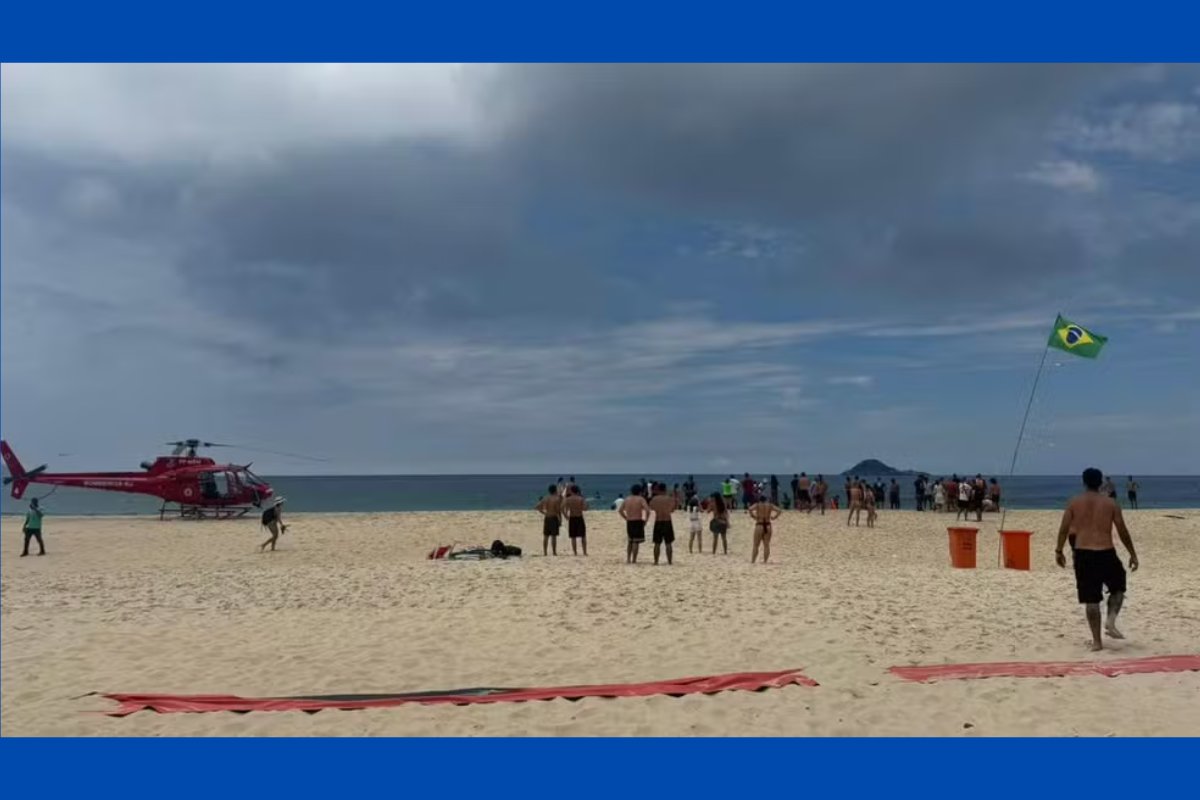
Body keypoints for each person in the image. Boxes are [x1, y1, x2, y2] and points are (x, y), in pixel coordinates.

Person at [1055, 468, 1139, 652]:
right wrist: (1132, 553)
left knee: (1091, 600)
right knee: (1118, 588)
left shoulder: (1074, 502)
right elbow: (1122, 530)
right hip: (1106, 552)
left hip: (1083, 553)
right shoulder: (1111, 503)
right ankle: (1110, 620)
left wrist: (1059, 551)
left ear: (1083, 482)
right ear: (1101, 482)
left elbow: (1064, 529)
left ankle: (1097, 642)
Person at [619, 484, 650, 564]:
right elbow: (647, 510)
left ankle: (628, 558)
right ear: (640, 491)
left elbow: (620, 510)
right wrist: (646, 520)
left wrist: (626, 518)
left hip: (630, 521)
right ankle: (634, 560)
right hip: (637, 521)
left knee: (630, 541)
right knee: (636, 541)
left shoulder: (627, 499)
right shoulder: (641, 499)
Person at [648, 482, 678, 565]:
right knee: (668, 543)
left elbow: (651, 507)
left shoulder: (654, 499)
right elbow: (672, 510)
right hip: (667, 521)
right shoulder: (669, 499)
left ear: (658, 489)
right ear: (665, 489)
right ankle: (669, 561)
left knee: (657, 543)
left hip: (658, 521)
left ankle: (656, 561)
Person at [747, 494, 782, 563]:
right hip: (768, 525)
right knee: (766, 545)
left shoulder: (757, 505)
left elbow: (750, 509)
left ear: (759, 500)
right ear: (766, 499)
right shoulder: (770, 505)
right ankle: (765, 561)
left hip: (759, 525)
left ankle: (753, 561)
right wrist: (774, 517)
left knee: (756, 545)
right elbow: (779, 510)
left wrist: (753, 516)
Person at [535, 484, 564, 556]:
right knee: (553, 536)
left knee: (546, 536)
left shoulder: (546, 498)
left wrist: (543, 513)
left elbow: (537, 507)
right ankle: (554, 552)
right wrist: (560, 520)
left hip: (547, 517)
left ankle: (545, 552)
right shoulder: (556, 499)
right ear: (555, 490)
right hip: (554, 517)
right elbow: (558, 511)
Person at [563, 484, 589, 556]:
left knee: (573, 536)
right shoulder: (581, 499)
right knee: (583, 536)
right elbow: (585, 508)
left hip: (572, 518)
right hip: (579, 517)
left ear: (571, 491)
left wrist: (565, 515)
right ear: (578, 491)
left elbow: (562, 508)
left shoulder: (568, 499)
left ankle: (575, 552)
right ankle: (584, 552)